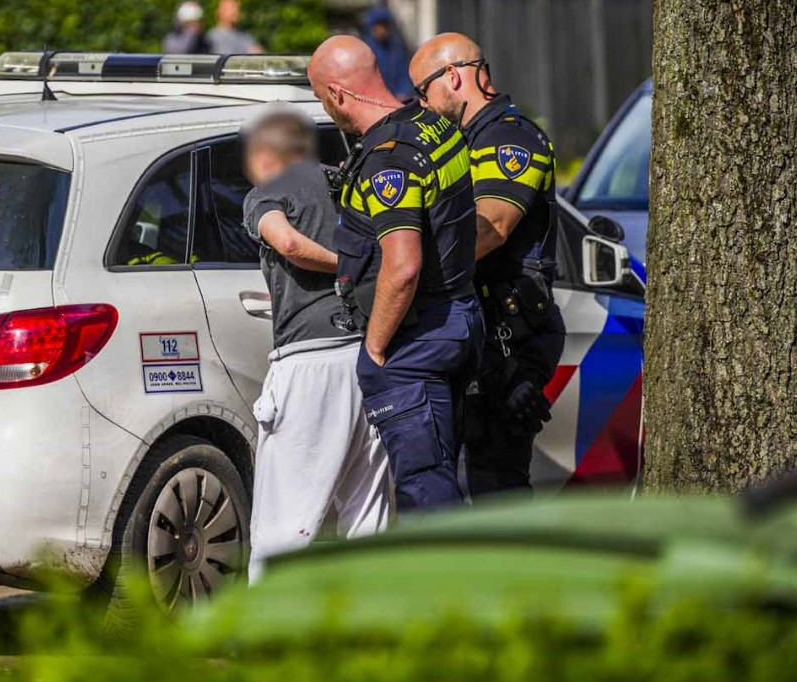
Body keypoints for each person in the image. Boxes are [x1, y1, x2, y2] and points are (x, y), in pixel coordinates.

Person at [307, 35, 482, 512]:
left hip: (415, 339)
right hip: (459, 314)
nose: (328, 111)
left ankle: (457, 587)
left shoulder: (387, 159)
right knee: (444, 475)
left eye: (324, 100)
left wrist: (376, 348)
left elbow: (403, 267)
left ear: (338, 94)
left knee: (426, 494)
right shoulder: (436, 127)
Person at [414, 33, 563, 497]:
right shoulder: (466, 141)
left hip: (513, 334)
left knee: (495, 485)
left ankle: (520, 572)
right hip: (487, 331)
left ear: (453, 77)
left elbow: (490, 228)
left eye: (423, 92)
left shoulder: (508, 136)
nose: (421, 106)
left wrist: (406, 270)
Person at [240, 106, 385, 581]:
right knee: (368, 511)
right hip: (370, 354)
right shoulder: (350, 184)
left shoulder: (267, 192)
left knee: (287, 515)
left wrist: (344, 265)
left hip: (309, 364)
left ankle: (267, 633)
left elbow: (290, 245)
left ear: (265, 154)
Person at [360, 5, 415, 102]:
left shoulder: (396, 48)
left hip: (396, 99)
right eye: (378, 26)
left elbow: (404, 73)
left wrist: (404, 92)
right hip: (373, 99)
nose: (382, 30)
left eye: (385, 26)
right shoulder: (365, 49)